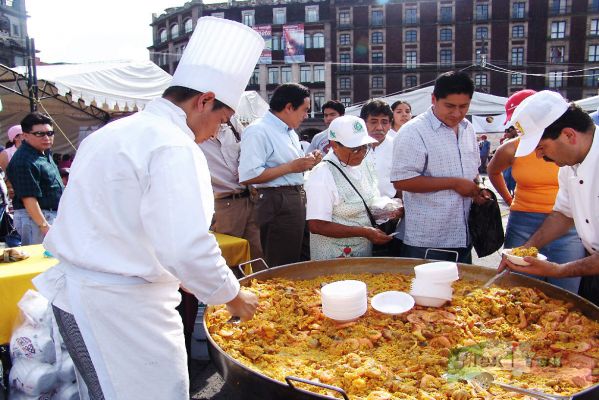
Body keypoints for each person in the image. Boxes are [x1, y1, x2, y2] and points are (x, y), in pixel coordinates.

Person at [32, 17, 264, 399]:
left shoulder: (116, 132)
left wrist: (198, 279)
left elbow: (137, 227)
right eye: (221, 121)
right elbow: (184, 245)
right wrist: (233, 296)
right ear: (204, 100)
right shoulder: (173, 144)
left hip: (81, 294)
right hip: (122, 307)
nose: (216, 133)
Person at [500, 91, 599, 305]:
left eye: (541, 147)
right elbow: (563, 214)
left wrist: (557, 269)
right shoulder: (568, 164)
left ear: (569, 135)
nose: (539, 156)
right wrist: (526, 249)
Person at [391, 71, 487, 263]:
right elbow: (401, 180)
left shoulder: (468, 128)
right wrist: (453, 183)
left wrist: (478, 189)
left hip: (464, 235)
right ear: (434, 99)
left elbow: (473, 172)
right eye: (450, 106)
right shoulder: (414, 131)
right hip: (428, 240)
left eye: (463, 106)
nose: (457, 113)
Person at [239, 83, 322, 267]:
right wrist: (291, 167)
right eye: (304, 110)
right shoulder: (258, 130)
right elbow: (248, 175)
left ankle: (290, 295)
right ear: (289, 107)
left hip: (294, 196)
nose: (306, 116)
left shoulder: (289, 131)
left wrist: (307, 162)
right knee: (278, 261)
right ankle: (276, 296)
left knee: (294, 258)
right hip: (275, 200)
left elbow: (290, 166)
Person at [305, 115, 392, 259]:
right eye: (355, 149)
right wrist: (364, 232)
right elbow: (317, 225)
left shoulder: (365, 163)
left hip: (362, 251)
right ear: (334, 145)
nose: (362, 153)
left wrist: (387, 211)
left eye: (365, 147)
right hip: (333, 256)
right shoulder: (323, 174)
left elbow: (370, 200)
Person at [198, 115, 262, 260]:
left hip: (249, 198)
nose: (228, 114)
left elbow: (247, 145)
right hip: (223, 204)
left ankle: (258, 283)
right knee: (228, 256)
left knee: (256, 254)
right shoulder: (194, 128)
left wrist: (245, 165)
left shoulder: (231, 121)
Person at [6, 112, 63, 246]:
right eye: (39, 134)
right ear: (25, 135)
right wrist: (44, 225)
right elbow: (29, 198)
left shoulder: (44, 152)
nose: (46, 137)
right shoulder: (24, 160)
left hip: (50, 215)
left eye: (50, 133)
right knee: (39, 263)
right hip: (35, 219)